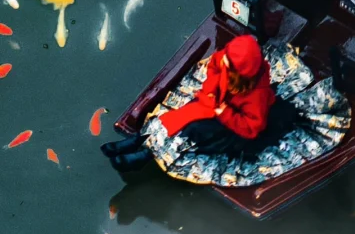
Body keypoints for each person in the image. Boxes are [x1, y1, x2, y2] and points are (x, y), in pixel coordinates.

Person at [102, 33, 299, 174]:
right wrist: (212, 92)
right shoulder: (225, 59)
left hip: (232, 121)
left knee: (194, 131)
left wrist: (224, 112)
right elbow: (214, 68)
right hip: (214, 102)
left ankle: (147, 155)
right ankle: (141, 138)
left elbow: (251, 128)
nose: (224, 63)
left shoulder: (256, 95)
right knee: (179, 116)